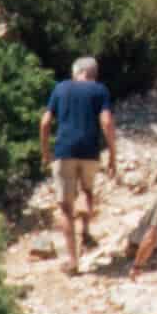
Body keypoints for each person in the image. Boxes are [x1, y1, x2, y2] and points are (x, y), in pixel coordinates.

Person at [42, 53, 115, 261]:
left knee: (66, 209)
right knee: (88, 191)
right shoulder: (100, 90)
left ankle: (73, 261)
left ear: (79, 72)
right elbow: (107, 123)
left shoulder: (60, 88)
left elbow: (45, 123)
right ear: (93, 74)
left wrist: (46, 152)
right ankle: (85, 231)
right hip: (90, 152)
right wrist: (112, 155)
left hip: (64, 152)